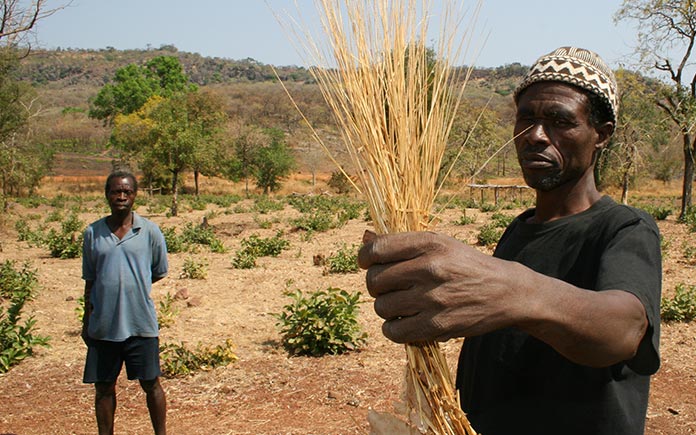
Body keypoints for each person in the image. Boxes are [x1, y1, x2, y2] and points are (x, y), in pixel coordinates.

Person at [358, 47, 661, 435]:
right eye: (527, 118)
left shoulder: (625, 228)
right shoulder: (519, 230)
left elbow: (624, 330)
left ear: (600, 135)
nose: (535, 135)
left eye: (560, 121)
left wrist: (515, 290)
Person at [81, 170, 169, 435]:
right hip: (104, 325)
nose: (121, 196)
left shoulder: (150, 231)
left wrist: (131, 286)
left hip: (140, 322)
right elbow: (90, 280)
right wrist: (87, 320)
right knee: (104, 387)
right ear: (107, 194)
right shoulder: (93, 233)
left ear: (135, 195)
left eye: (127, 192)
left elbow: (156, 271)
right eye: (116, 191)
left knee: (151, 383)